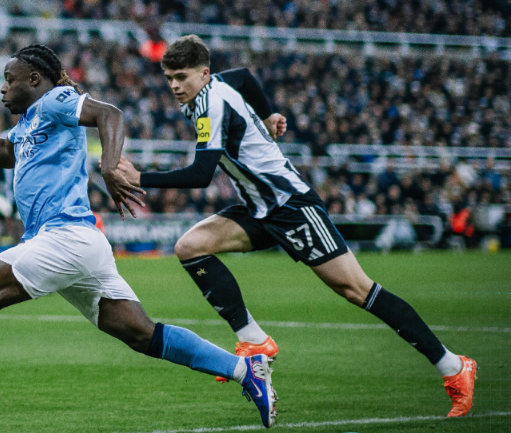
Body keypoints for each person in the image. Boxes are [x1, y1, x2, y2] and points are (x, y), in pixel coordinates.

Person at [0, 45, 278, 430]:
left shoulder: (55, 100)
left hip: (64, 237)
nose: (2, 89)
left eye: (9, 80)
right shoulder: (30, 120)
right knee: (142, 334)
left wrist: (111, 166)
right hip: (78, 244)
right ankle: (244, 370)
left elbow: (109, 113)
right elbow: (6, 151)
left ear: (34, 79)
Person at [115, 35, 477, 418]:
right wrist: (268, 115)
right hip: (259, 208)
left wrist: (140, 178)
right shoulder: (212, 87)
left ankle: (454, 367)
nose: (174, 85)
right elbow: (245, 76)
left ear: (204, 74)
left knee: (358, 290)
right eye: (169, 78)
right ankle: (254, 340)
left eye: (181, 77)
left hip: (292, 206)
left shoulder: (211, 107)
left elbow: (201, 174)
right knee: (190, 247)